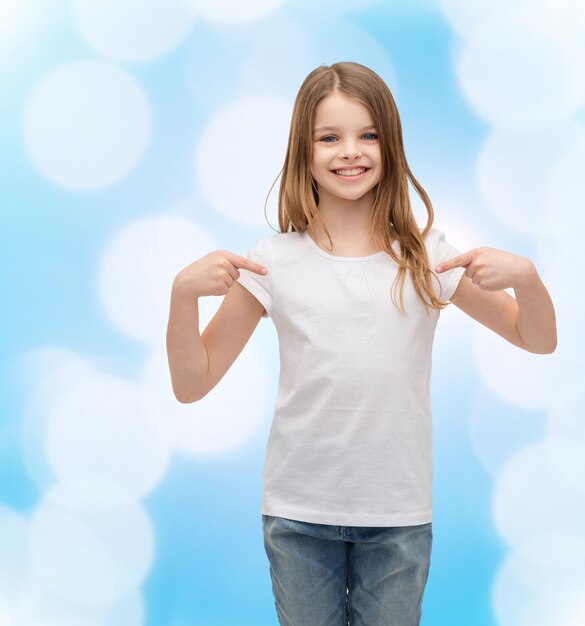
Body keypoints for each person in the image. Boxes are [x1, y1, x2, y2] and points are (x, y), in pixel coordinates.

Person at [166, 61, 557, 626]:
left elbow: (536, 338)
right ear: (304, 150)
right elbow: (192, 383)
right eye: (330, 137)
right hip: (298, 515)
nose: (350, 151)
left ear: (390, 144)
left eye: (368, 134)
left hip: (396, 515)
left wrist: (528, 277)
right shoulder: (271, 261)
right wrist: (183, 296)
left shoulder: (426, 255)